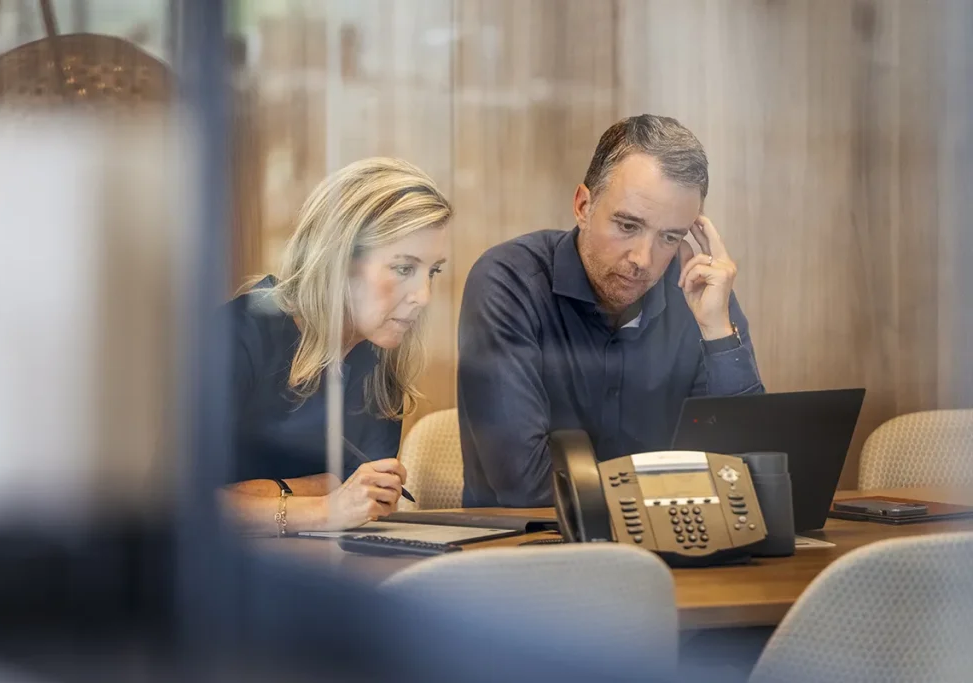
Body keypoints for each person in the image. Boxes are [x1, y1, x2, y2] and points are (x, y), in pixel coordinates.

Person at [457, 114, 764, 507]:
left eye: (669, 236)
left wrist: (718, 332)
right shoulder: (509, 281)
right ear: (584, 206)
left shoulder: (697, 292)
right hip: (528, 553)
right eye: (628, 226)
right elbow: (527, 485)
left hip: (677, 554)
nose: (644, 259)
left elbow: (749, 476)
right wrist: (683, 486)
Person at [219, 157, 452, 533]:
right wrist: (321, 507)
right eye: (404, 269)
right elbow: (175, 506)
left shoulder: (379, 363)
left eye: (433, 271)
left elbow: (364, 497)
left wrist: (255, 496)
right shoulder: (239, 333)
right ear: (339, 260)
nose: (424, 296)